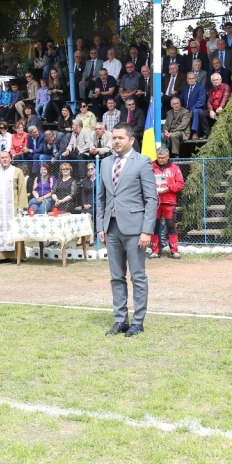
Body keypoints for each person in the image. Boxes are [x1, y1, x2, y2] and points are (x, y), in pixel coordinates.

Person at [96, 124, 157, 337]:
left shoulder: (142, 162)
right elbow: (101, 198)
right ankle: (120, 320)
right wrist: (100, 227)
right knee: (116, 277)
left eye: (121, 138)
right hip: (111, 228)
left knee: (138, 277)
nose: (116, 141)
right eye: (114, 138)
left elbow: (151, 199)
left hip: (135, 230)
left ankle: (138, 322)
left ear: (131, 140)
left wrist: (147, 231)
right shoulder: (104, 163)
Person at [0, 151, 28, 262]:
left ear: (10, 159)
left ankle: (16, 255)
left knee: (14, 230)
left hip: (13, 207)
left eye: (6, 157)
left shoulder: (17, 171)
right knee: (0, 230)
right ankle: (0, 256)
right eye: (2, 158)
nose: (4, 159)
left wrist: (21, 206)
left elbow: (22, 189)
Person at [149, 147, 184, 259]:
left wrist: (168, 188)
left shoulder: (175, 168)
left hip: (169, 202)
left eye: (163, 158)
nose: (160, 160)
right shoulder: (151, 167)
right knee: (154, 227)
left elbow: (180, 184)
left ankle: (174, 251)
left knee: (171, 226)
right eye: (158, 157)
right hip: (154, 202)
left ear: (168, 156)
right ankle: (155, 251)